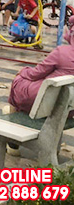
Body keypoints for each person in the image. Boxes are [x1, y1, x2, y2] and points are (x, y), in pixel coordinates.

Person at [5, 16, 74, 155]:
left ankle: (13, 142)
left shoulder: (62, 52)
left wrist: (23, 71)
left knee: (18, 82)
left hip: (47, 102)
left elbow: (35, 74)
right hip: (69, 108)